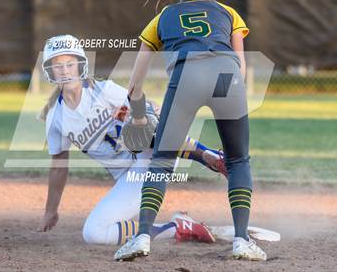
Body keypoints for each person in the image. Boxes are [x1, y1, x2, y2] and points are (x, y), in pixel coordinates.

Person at [114, 0, 266, 261]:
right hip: (227, 76)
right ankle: (242, 240)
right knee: (237, 160)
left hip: (186, 77)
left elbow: (135, 84)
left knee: (161, 160)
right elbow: (241, 67)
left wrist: (139, 114)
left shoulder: (163, 17)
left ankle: (142, 237)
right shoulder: (228, 12)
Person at [37, 34, 226, 246]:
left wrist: (138, 112)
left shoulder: (103, 90)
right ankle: (177, 228)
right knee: (94, 233)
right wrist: (51, 211)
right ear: (49, 71)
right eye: (58, 65)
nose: (64, 71)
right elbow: (58, 168)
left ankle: (210, 157)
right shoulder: (55, 118)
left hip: (155, 152)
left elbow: (150, 108)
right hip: (133, 178)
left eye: (70, 64)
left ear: (80, 65)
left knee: (138, 123)